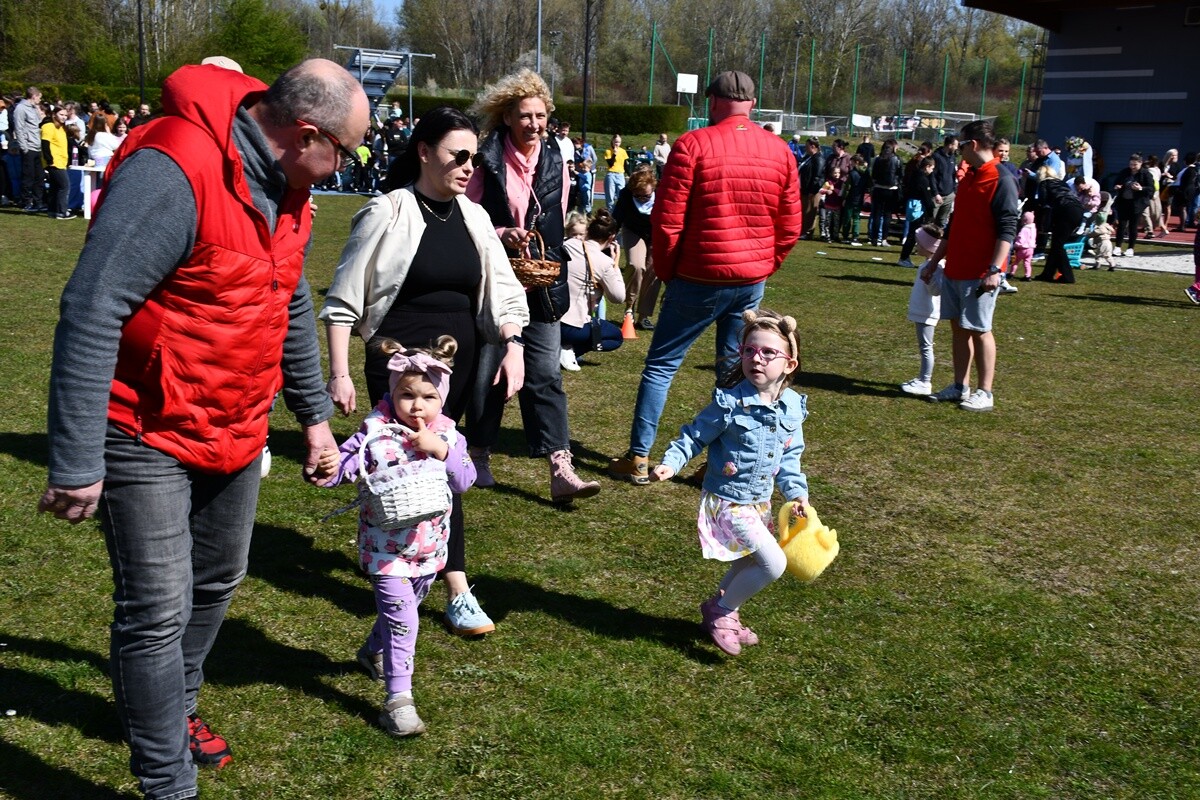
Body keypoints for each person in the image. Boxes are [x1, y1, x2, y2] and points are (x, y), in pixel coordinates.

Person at [37, 58, 369, 800]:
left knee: (218, 580)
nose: (348, 167)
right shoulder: (174, 168)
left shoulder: (293, 191)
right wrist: (76, 458)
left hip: (236, 423)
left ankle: (172, 710)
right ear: (305, 133)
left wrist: (313, 419)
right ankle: (168, 783)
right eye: (347, 151)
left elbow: (285, 305)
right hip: (144, 426)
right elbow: (93, 307)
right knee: (156, 608)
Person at [321, 106, 529, 637]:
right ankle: (423, 580)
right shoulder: (387, 211)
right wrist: (340, 372)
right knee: (408, 470)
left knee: (444, 463)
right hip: (398, 369)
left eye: (474, 158)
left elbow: (503, 289)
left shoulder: (475, 216)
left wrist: (513, 345)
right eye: (457, 155)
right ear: (423, 151)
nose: (468, 167)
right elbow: (344, 298)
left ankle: (440, 585)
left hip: (455, 368)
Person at [607, 70, 802, 483]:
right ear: (751, 102)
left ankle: (639, 456)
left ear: (713, 100)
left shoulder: (692, 144)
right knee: (735, 370)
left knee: (662, 365)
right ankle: (721, 461)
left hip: (699, 273)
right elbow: (790, 224)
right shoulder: (779, 150)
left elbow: (668, 220)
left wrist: (672, 270)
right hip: (750, 277)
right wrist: (768, 263)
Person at [314, 338, 476, 737]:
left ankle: (373, 653)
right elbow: (343, 469)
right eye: (407, 395)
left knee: (405, 613)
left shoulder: (450, 438)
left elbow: (466, 480)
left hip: (430, 550)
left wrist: (438, 449)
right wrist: (325, 466)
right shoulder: (374, 433)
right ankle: (398, 701)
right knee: (403, 620)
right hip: (384, 551)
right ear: (392, 394)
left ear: (441, 401)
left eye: (428, 397)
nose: (417, 406)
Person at [466, 69, 600, 504]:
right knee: (489, 373)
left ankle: (561, 466)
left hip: (541, 282)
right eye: (525, 116)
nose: (534, 124)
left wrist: (547, 251)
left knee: (544, 373)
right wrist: (504, 233)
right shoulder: (485, 158)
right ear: (507, 117)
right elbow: (468, 214)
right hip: (495, 279)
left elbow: (557, 218)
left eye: (541, 116)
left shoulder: (555, 157)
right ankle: (478, 453)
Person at [650, 309, 808, 656]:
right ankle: (723, 613)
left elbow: (790, 457)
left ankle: (720, 609)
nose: (757, 359)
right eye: (750, 350)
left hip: (759, 501)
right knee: (774, 563)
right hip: (728, 502)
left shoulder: (793, 408)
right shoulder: (730, 403)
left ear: (789, 365)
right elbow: (693, 437)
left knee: (749, 562)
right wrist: (671, 464)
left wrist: (798, 495)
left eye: (769, 353)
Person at [919, 119, 1019, 413]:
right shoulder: (970, 178)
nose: (958, 149)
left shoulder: (1001, 179)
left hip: (980, 273)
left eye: (961, 144)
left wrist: (994, 269)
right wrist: (935, 261)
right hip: (955, 268)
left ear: (972, 145)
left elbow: (1007, 229)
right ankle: (959, 385)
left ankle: (985, 391)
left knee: (979, 329)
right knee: (958, 329)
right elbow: (954, 226)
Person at [559, 209, 626, 369]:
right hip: (571, 325)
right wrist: (616, 264)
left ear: (588, 231)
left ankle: (561, 348)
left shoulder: (565, 244)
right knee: (616, 337)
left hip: (548, 317)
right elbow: (618, 297)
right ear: (611, 238)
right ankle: (569, 350)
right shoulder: (604, 262)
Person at [900, 224, 945, 396]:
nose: (917, 246)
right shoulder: (928, 264)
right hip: (922, 312)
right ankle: (922, 379)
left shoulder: (936, 266)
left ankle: (925, 381)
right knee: (924, 346)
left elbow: (937, 290)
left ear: (928, 246)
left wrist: (928, 279)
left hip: (927, 313)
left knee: (926, 347)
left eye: (919, 243)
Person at [613, 167, 659, 329]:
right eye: (637, 196)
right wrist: (610, 238)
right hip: (633, 230)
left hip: (655, 234)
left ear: (652, 188)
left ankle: (644, 315)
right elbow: (617, 218)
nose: (642, 199)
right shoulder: (626, 195)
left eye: (645, 196)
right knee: (636, 265)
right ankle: (629, 308)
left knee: (653, 271)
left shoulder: (661, 193)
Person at [1030, 165, 1085, 284]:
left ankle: (1067, 276)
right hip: (1078, 210)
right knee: (1056, 244)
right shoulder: (1061, 183)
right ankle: (1047, 273)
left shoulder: (1044, 184)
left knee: (1058, 245)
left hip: (1066, 211)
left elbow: (1044, 202)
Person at [1111, 153, 1153, 257]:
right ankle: (1117, 247)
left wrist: (1141, 188)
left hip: (1137, 203)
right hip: (1124, 201)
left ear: (1140, 163)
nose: (1132, 167)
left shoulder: (1145, 174)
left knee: (1133, 226)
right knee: (1121, 225)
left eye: (1135, 165)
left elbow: (1151, 189)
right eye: (1131, 164)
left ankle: (1130, 248)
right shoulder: (1125, 172)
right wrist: (1117, 186)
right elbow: (1116, 183)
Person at [15, 86, 44, 211]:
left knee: (39, 176)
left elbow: (39, 124)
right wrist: (24, 147)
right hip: (29, 147)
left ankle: (38, 202)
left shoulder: (33, 108)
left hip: (37, 147)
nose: (40, 100)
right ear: (34, 96)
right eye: (39, 97)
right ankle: (26, 201)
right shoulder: (21, 108)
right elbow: (19, 128)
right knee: (28, 176)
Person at [40, 104, 73, 219]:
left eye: (65, 115)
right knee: (64, 186)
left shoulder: (61, 128)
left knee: (55, 187)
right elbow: (45, 143)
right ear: (54, 114)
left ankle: (53, 210)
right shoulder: (49, 126)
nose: (64, 117)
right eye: (61, 114)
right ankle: (62, 211)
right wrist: (49, 160)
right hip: (54, 162)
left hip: (61, 161)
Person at [868, 139, 902, 246]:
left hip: (878, 188)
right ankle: (884, 239)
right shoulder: (896, 159)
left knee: (876, 214)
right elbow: (900, 174)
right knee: (887, 215)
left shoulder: (877, 159)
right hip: (891, 189)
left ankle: (874, 238)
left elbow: (873, 174)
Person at [798, 136, 824, 239]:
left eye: (807, 146)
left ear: (813, 146)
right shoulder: (809, 157)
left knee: (809, 212)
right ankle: (804, 231)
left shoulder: (818, 159)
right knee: (805, 211)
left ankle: (807, 232)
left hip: (812, 190)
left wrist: (812, 190)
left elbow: (817, 176)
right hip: (805, 189)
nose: (805, 148)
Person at [931, 134, 959, 228]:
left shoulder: (952, 157)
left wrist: (954, 190)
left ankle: (938, 242)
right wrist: (935, 193)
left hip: (949, 195)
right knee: (931, 221)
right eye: (955, 145)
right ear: (950, 145)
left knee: (942, 222)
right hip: (937, 195)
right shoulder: (936, 157)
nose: (956, 148)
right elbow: (932, 176)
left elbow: (953, 174)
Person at [842, 154, 869, 246]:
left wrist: (844, 197)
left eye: (852, 161)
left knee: (848, 218)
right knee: (857, 218)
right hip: (860, 197)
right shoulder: (866, 173)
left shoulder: (852, 173)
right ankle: (855, 236)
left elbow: (847, 187)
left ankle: (845, 236)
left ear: (856, 162)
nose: (850, 163)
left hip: (851, 197)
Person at [818, 165, 845, 243]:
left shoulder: (841, 183)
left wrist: (834, 190)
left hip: (837, 205)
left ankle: (835, 236)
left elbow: (842, 193)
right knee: (828, 221)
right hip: (829, 205)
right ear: (831, 173)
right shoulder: (828, 182)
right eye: (835, 173)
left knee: (837, 222)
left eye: (838, 173)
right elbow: (821, 190)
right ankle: (827, 236)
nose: (837, 174)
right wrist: (827, 191)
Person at [1010, 211, 1037, 281]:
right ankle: (1028, 276)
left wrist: (1016, 245)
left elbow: (1021, 239)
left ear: (1024, 221)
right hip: (1031, 249)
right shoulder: (1033, 229)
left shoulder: (1024, 229)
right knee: (1027, 263)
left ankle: (1011, 273)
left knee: (1015, 262)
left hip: (1023, 249)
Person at [604, 133, 628, 209]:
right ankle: (610, 214)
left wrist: (630, 174)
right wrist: (614, 154)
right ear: (612, 141)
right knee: (610, 197)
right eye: (616, 142)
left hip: (620, 174)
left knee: (621, 195)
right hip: (611, 174)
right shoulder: (608, 151)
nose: (617, 144)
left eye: (619, 142)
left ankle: (619, 214)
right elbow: (610, 164)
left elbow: (625, 165)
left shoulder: (623, 151)